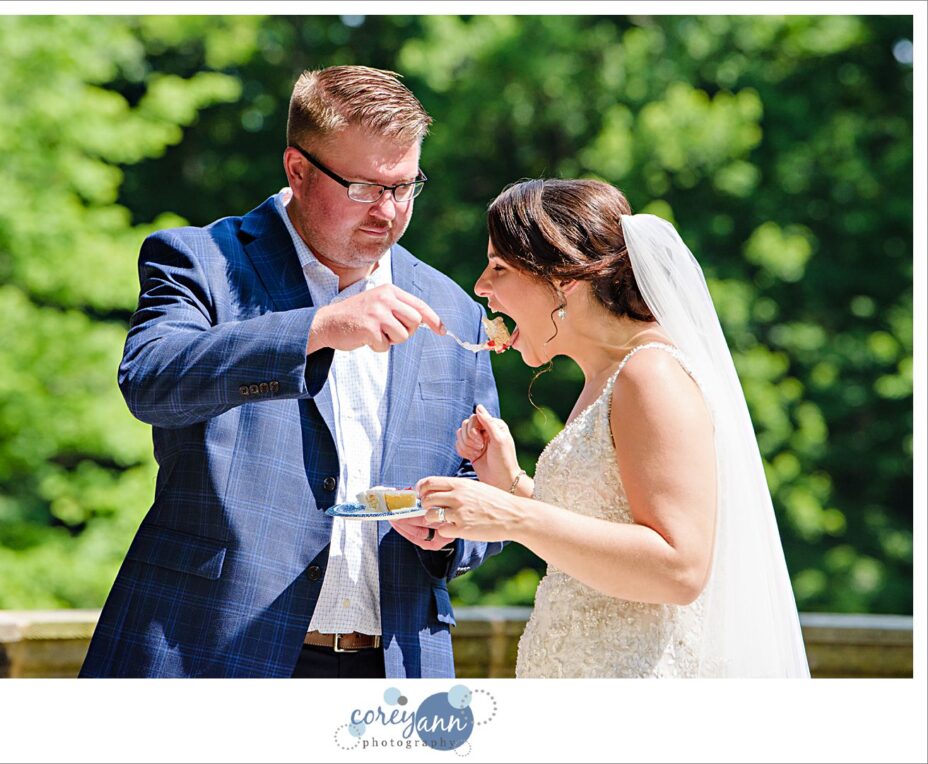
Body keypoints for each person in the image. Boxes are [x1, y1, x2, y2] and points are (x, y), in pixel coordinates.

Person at [79, 66, 503, 679]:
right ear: (297, 170)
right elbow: (150, 379)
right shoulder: (200, 260)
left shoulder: (450, 305)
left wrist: (454, 534)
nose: (389, 211)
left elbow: (480, 475)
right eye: (364, 187)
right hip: (209, 653)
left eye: (406, 187)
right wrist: (318, 328)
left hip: (394, 674)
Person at [417, 178, 810, 677]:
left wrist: (509, 516)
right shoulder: (606, 377)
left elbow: (680, 568)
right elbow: (608, 530)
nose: (480, 287)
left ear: (562, 279)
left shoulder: (652, 374)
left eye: (499, 267)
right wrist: (511, 485)